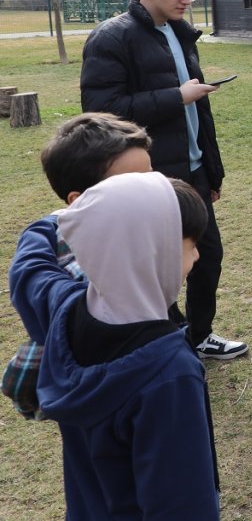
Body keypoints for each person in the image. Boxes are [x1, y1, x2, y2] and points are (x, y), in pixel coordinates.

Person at [9, 171, 220, 519]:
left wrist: (86, 219)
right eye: (189, 245)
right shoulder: (169, 373)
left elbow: (30, 271)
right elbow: (183, 506)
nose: (196, 257)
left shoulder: (65, 308)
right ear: (151, 252)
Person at [79, 0, 245, 361]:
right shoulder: (111, 37)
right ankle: (169, 340)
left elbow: (197, 113)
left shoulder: (179, 32)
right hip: (148, 179)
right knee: (159, 267)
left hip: (193, 172)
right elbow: (103, 114)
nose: (186, 0)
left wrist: (211, 171)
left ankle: (200, 335)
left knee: (206, 257)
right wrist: (176, 96)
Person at [3, 113, 153, 420]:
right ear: (79, 200)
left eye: (151, 176)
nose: (152, 189)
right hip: (94, 390)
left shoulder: (149, 227)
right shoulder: (58, 241)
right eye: (132, 183)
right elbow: (31, 288)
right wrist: (49, 226)